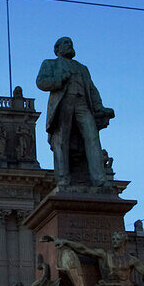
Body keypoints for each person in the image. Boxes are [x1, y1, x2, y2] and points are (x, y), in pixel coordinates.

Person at [36, 36, 115, 189]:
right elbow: (41, 82)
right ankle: (63, 179)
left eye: (71, 43)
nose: (70, 45)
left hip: (82, 105)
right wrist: (59, 79)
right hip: (63, 104)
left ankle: (99, 179)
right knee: (61, 141)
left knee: (92, 138)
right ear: (57, 49)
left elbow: (92, 90)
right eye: (66, 43)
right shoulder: (50, 64)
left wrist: (99, 107)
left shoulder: (82, 68)